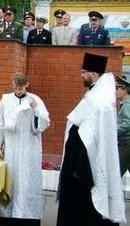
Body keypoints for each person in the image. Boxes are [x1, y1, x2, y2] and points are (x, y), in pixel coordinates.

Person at [56, 53, 126, 226]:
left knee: (83, 211)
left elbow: (89, 134)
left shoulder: (98, 100)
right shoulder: (97, 94)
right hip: (79, 163)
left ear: (93, 73)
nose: (81, 75)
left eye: (84, 71)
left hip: (84, 167)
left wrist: (78, 168)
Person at [0, 73, 50, 226]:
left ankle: (26, 215)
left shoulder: (35, 100)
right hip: (11, 147)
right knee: (11, 179)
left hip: (29, 148)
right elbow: (0, 122)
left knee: (26, 181)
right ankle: (6, 215)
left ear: (26, 85)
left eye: (21, 88)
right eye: (16, 88)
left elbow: (43, 123)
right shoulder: (6, 100)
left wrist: (36, 110)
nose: (18, 91)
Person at [115, 75, 130, 176]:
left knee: (116, 172)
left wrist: (114, 131)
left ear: (124, 91)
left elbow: (128, 123)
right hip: (127, 141)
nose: (115, 91)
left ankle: (111, 192)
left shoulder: (127, 104)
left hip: (126, 142)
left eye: (117, 89)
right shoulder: (125, 103)